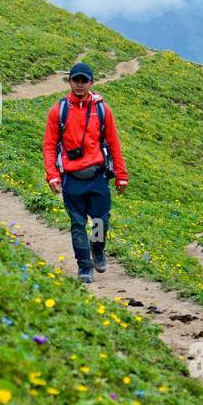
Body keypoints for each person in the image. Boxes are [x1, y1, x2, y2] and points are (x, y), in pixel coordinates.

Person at [42, 61, 128, 283]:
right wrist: (51, 174)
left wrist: (121, 174)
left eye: (84, 81)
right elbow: (49, 145)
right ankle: (84, 266)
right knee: (78, 224)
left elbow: (114, 143)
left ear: (91, 83)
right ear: (69, 81)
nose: (79, 85)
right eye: (75, 80)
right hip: (72, 179)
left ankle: (97, 249)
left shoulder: (102, 109)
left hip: (97, 176)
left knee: (100, 221)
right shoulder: (58, 111)